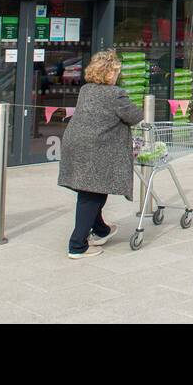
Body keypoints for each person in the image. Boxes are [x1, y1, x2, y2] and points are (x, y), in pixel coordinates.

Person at [56, 48, 142, 259]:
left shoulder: (86, 90)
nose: (117, 75)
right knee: (92, 194)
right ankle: (77, 245)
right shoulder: (115, 94)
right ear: (109, 73)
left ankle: (101, 229)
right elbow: (134, 116)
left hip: (76, 144)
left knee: (90, 189)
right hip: (95, 149)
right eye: (116, 71)